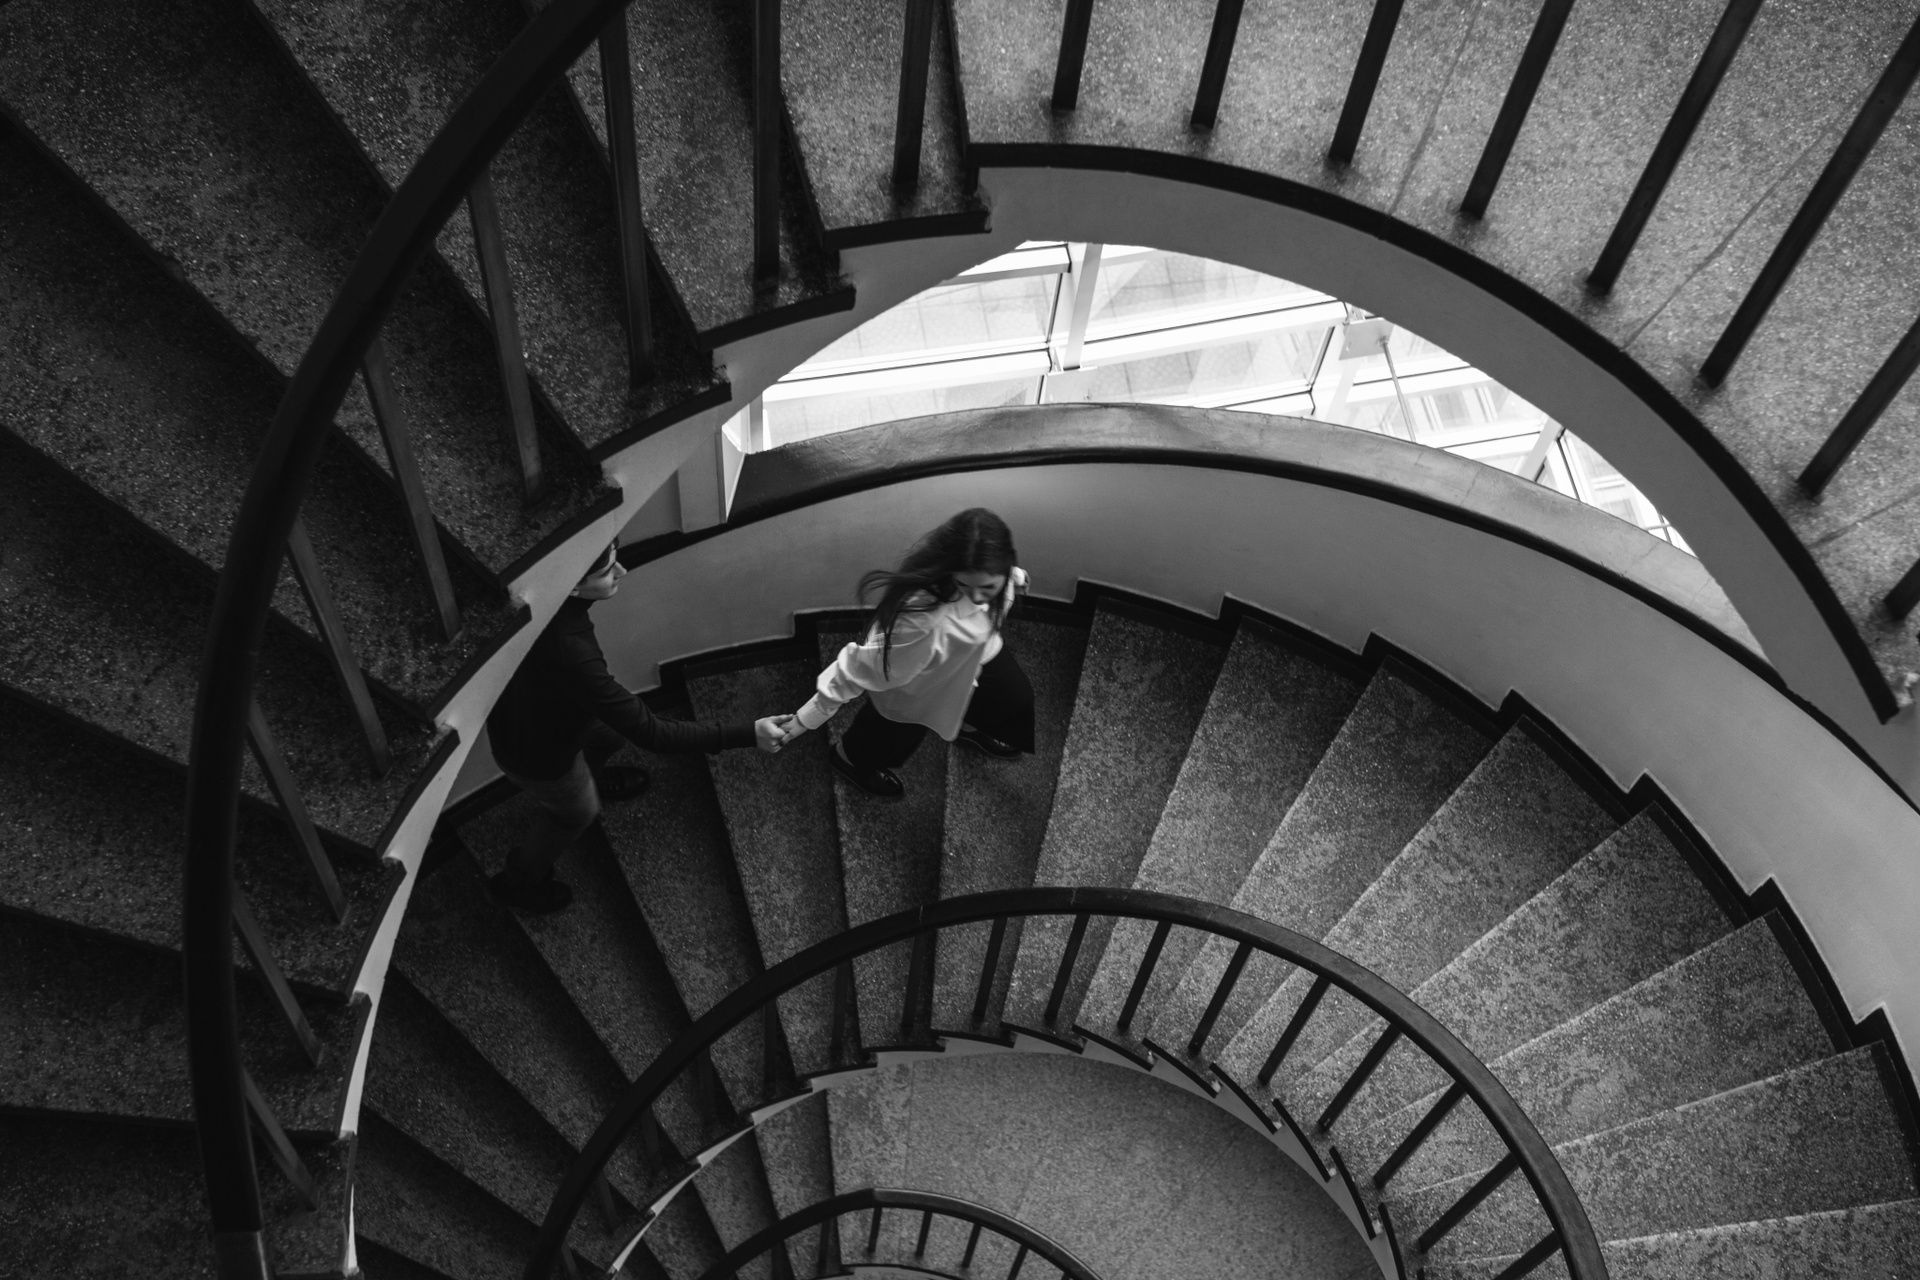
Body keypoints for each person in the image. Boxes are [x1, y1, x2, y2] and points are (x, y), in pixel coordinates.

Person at [486, 540, 790, 912]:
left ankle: (592, 777)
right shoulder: (570, 652)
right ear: (572, 586)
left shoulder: (544, 605)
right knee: (576, 813)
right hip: (537, 755)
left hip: (549, 713)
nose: (622, 572)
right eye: (606, 571)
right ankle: (517, 882)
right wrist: (748, 734)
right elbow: (654, 734)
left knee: (613, 734)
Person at [774, 508, 1033, 798]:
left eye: (988, 587)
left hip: (974, 658)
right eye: (963, 584)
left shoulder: (999, 574)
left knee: (1013, 697)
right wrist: (807, 717)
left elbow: (998, 578)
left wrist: (1015, 578)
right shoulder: (921, 620)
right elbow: (863, 668)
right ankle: (849, 760)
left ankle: (966, 722)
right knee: (890, 736)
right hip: (915, 685)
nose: (975, 597)